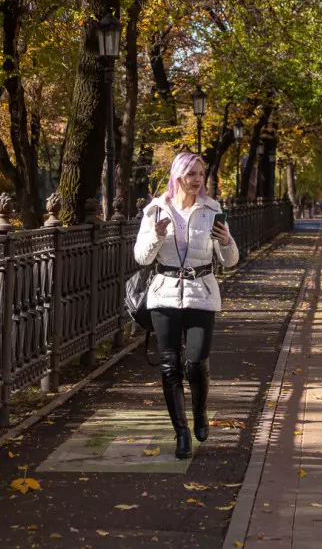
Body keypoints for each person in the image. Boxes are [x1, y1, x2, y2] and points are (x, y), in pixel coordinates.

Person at [134, 153, 239, 459]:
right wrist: (156, 235)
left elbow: (229, 261)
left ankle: (201, 412)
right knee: (170, 367)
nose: (197, 179)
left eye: (201, 173)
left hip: (201, 293)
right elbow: (141, 257)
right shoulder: (155, 210)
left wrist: (226, 240)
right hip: (164, 295)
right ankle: (181, 433)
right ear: (177, 175)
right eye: (191, 173)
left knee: (196, 363)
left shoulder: (212, 210)